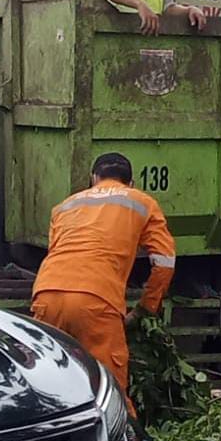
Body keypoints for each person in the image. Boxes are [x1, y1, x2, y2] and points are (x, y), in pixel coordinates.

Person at [31, 153, 176, 413]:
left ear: (93, 179)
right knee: (111, 395)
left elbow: (57, 251)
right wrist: (146, 307)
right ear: (131, 182)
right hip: (95, 299)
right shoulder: (141, 202)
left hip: (47, 293)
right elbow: (165, 262)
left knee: (51, 387)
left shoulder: (65, 206)